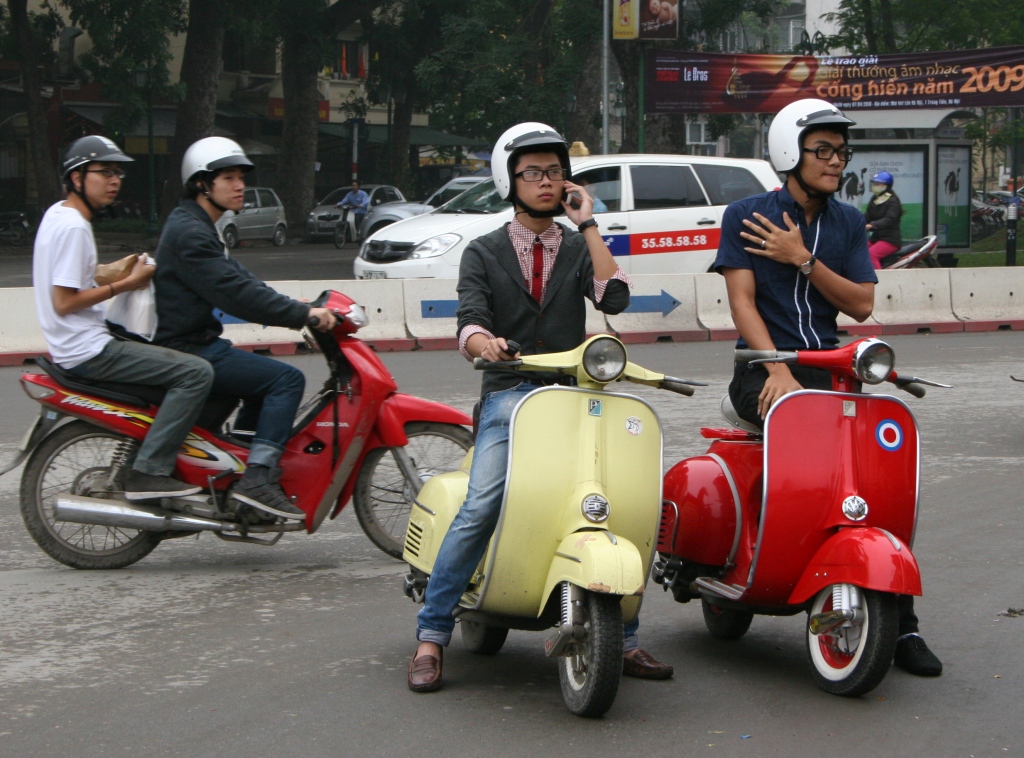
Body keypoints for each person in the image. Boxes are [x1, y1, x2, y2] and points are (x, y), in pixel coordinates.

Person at [408, 122, 673, 693]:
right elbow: (470, 323)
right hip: (509, 396)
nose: (547, 181)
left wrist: (591, 223)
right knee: (481, 503)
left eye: (555, 171)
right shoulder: (482, 252)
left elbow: (615, 298)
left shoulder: (579, 246)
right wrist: (486, 346)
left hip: (576, 401)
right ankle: (432, 635)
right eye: (534, 172)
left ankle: (621, 639)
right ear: (511, 179)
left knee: (620, 503)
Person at [714, 98, 942, 678]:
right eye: (824, 150)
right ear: (791, 152)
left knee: (875, 475)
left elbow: (862, 304)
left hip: (833, 375)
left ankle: (902, 620)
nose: (836, 161)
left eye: (841, 151)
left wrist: (803, 258)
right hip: (763, 373)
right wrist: (776, 370)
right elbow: (742, 302)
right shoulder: (745, 213)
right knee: (810, 468)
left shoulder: (844, 222)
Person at [151, 136, 337, 520]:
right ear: (202, 183)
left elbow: (241, 280)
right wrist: (303, 317)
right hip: (188, 348)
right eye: (229, 178)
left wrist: (296, 305)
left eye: (241, 178)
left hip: (194, 341)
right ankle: (259, 478)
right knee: (285, 380)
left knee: (260, 383)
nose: (241, 186)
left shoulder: (197, 225)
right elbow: (236, 294)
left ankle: (241, 477)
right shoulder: (192, 233)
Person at [33, 135, 214, 500]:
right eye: (104, 172)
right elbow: (65, 302)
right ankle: (149, 471)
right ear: (77, 177)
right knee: (196, 372)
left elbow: (68, 276)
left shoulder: (58, 214)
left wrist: (111, 272)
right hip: (88, 350)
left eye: (118, 173)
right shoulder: (74, 228)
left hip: (73, 344)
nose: (115, 180)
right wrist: (128, 284)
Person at [863, 171, 903, 269]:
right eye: (874, 184)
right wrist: (856, 223)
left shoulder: (893, 201)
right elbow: (867, 215)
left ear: (886, 185)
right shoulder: (875, 199)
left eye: (878, 184)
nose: (875, 186)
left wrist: (871, 225)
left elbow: (889, 219)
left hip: (890, 240)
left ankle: (880, 281)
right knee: (858, 250)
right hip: (876, 238)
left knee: (871, 254)